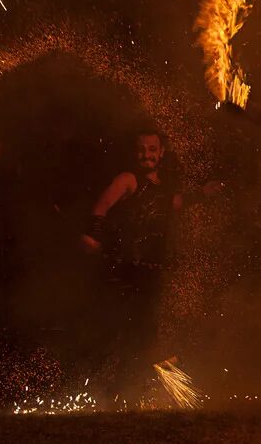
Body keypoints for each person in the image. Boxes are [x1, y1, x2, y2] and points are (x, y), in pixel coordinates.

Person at [80, 129, 220, 400]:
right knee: (119, 329)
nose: (147, 154)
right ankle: (104, 389)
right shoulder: (127, 179)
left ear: (161, 152)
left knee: (144, 333)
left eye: (152, 149)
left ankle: (125, 391)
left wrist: (202, 193)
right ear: (135, 152)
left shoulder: (162, 187)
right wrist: (92, 233)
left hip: (150, 272)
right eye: (142, 149)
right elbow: (102, 205)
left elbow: (176, 203)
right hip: (124, 269)